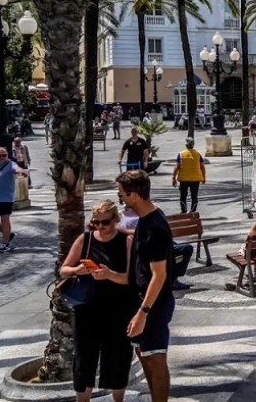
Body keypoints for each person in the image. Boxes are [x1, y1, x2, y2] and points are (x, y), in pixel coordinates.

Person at [59, 200, 133, 402]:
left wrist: (109, 275)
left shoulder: (126, 241)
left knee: (118, 356)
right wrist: (77, 270)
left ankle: (118, 400)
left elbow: (130, 278)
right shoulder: (86, 239)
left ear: (116, 219)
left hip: (117, 309)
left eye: (105, 222)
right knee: (84, 358)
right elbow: (64, 269)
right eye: (96, 222)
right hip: (86, 309)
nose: (100, 226)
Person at [117, 170, 174, 402]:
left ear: (135, 195)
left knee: (155, 359)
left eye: (122, 195)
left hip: (153, 305)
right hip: (141, 300)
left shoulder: (155, 227)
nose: (120, 199)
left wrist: (143, 313)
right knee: (145, 355)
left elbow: (158, 276)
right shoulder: (146, 220)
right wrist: (116, 231)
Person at [0, 147, 25, 253]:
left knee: (4, 219)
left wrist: (21, 171)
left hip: (6, 198)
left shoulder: (11, 164)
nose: (2, 157)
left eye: (4, 155)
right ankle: (8, 235)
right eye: (0, 155)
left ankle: (5, 243)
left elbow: (17, 169)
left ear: (7, 155)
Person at [171, 137, 205, 214]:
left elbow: (177, 167)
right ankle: (193, 210)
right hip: (195, 179)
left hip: (184, 178)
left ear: (186, 145)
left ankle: (184, 210)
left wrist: (173, 178)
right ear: (193, 145)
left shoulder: (181, 154)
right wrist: (204, 177)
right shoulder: (198, 154)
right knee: (194, 195)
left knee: (183, 195)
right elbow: (202, 167)